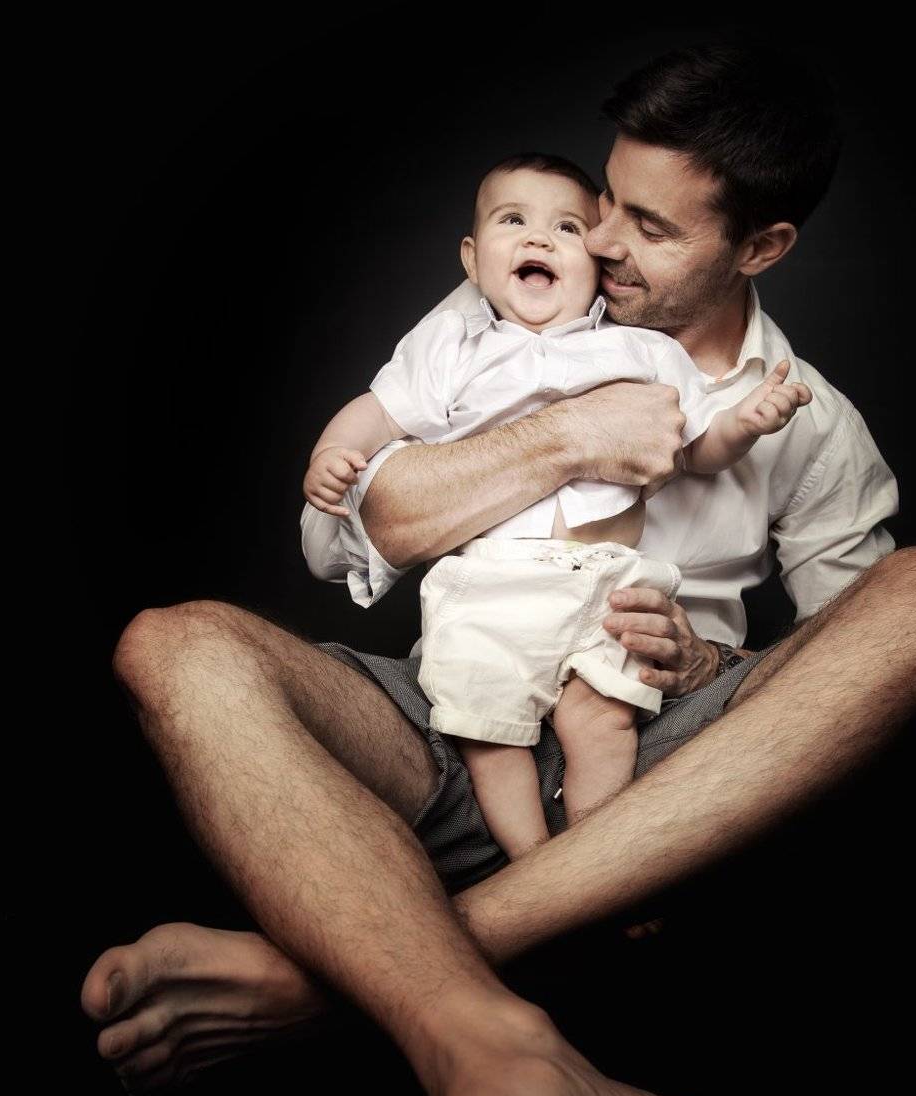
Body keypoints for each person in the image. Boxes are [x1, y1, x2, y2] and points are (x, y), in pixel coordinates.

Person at [80, 39, 916, 1096]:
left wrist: (706, 661)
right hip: (460, 702)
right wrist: (568, 434)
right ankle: (513, 1055)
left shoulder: (802, 414)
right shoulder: (492, 309)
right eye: (604, 202)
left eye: (650, 226)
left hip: (655, 753)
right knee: (174, 645)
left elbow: (851, 674)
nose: (601, 240)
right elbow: (346, 540)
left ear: (761, 245)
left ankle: (351, 982)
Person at [302, 152, 812, 869]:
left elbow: (699, 447)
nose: (539, 238)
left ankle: (595, 863)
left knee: (603, 720)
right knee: (488, 733)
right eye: (513, 221)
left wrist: (746, 423)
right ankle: (535, 864)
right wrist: (334, 453)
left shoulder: (641, 350)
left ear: (593, 265)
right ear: (472, 259)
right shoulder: (451, 345)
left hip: (608, 583)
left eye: (568, 228)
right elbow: (379, 412)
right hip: (492, 584)